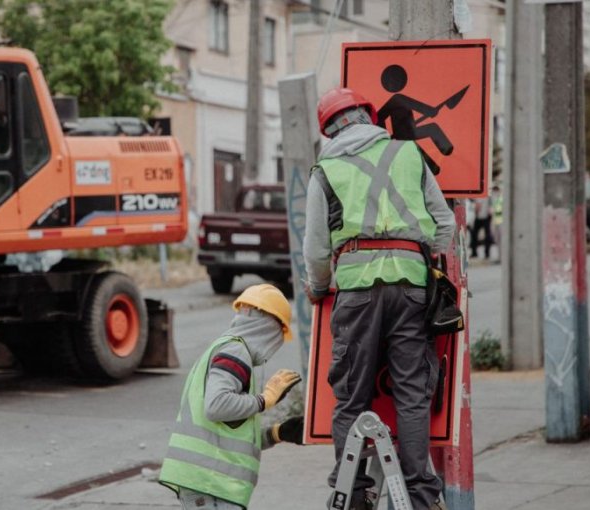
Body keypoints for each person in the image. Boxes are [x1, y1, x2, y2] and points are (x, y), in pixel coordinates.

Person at [303, 87, 455, 510]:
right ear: (368, 117)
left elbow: (315, 248)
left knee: (351, 394)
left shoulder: (326, 169)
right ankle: (422, 495)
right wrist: (422, 259)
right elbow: (444, 225)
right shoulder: (407, 154)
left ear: (328, 131)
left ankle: (352, 492)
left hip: (356, 291)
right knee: (411, 392)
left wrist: (318, 288)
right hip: (411, 287)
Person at [159, 283, 305, 510]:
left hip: (207, 483)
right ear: (268, 326)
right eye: (279, 331)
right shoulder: (236, 351)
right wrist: (264, 400)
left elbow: (229, 431)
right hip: (210, 483)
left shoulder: (229, 349)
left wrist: (275, 434)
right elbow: (217, 406)